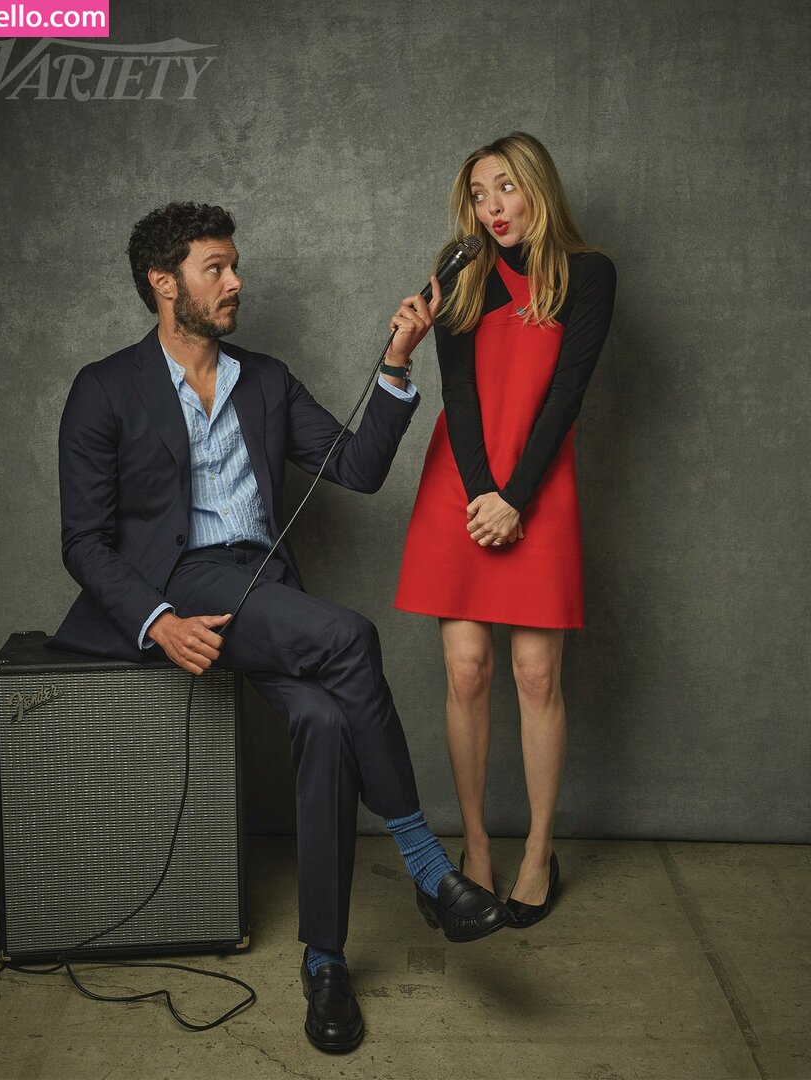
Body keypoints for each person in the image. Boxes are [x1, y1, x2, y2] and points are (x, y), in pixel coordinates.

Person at [52, 202, 511, 1053]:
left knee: (327, 723)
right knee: (350, 636)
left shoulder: (263, 379)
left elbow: (360, 469)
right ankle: (426, 865)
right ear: (164, 284)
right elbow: (83, 540)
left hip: (265, 591)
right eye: (216, 268)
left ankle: (325, 960)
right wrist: (158, 622)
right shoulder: (104, 387)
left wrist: (398, 361)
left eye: (235, 265)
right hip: (180, 586)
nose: (236, 281)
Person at [395, 133, 617, 929]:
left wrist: (517, 498)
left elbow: (567, 396)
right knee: (465, 672)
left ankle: (538, 853)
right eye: (478, 194)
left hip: (539, 487)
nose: (491, 207)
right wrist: (484, 493)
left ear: (538, 188)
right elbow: (456, 393)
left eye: (505, 188)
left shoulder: (589, 275)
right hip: (462, 484)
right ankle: (478, 846)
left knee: (534, 676)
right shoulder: (462, 271)